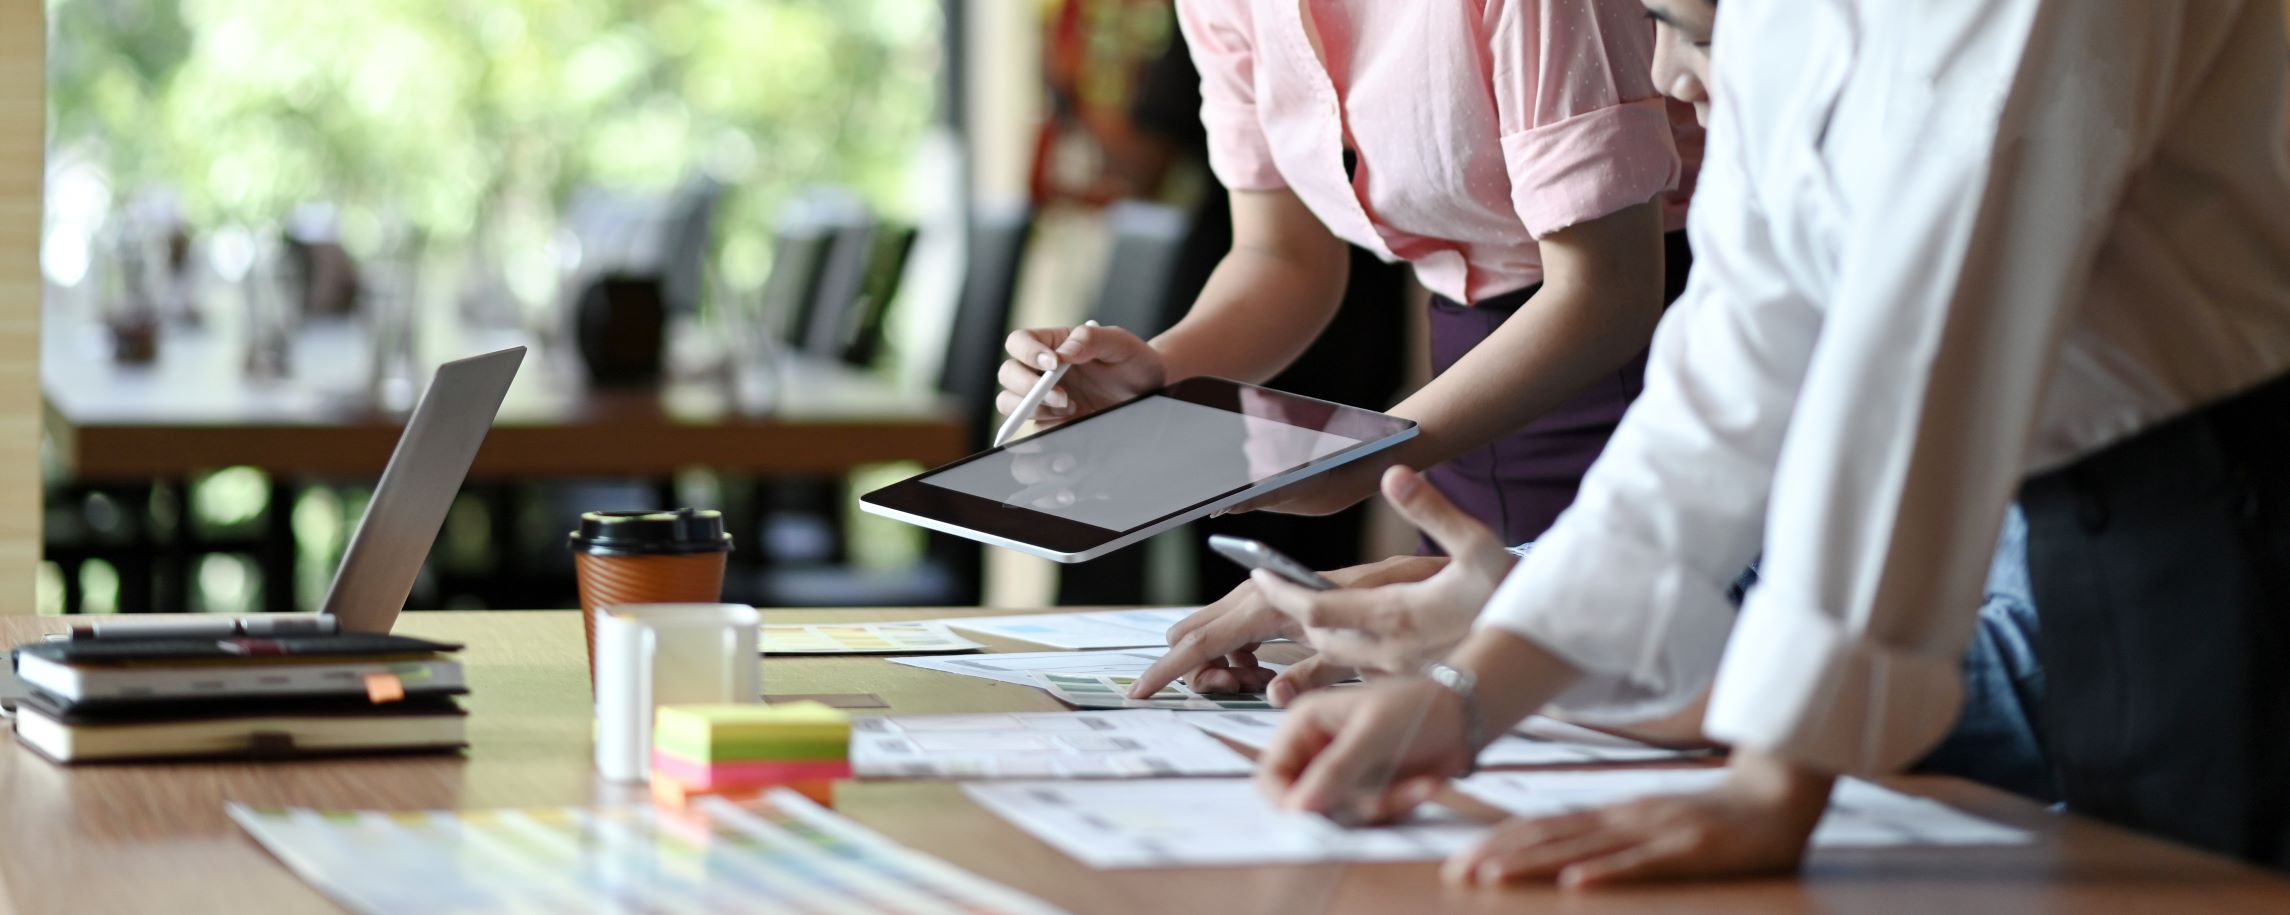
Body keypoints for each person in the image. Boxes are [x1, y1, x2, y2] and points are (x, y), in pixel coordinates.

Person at [1258, 0, 2290, 887]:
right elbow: (1733, 357)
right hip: (2104, 529)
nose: (1662, 68)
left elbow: (1926, 337)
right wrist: (1474, 691)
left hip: (2222, 516)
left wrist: (1779, 772)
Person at [998, 0, 1702, 554]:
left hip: (1657, 367)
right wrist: (1159, 375)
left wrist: (1368, 459)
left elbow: (1607, 289)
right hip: (1469, 376)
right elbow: (1283, 258)